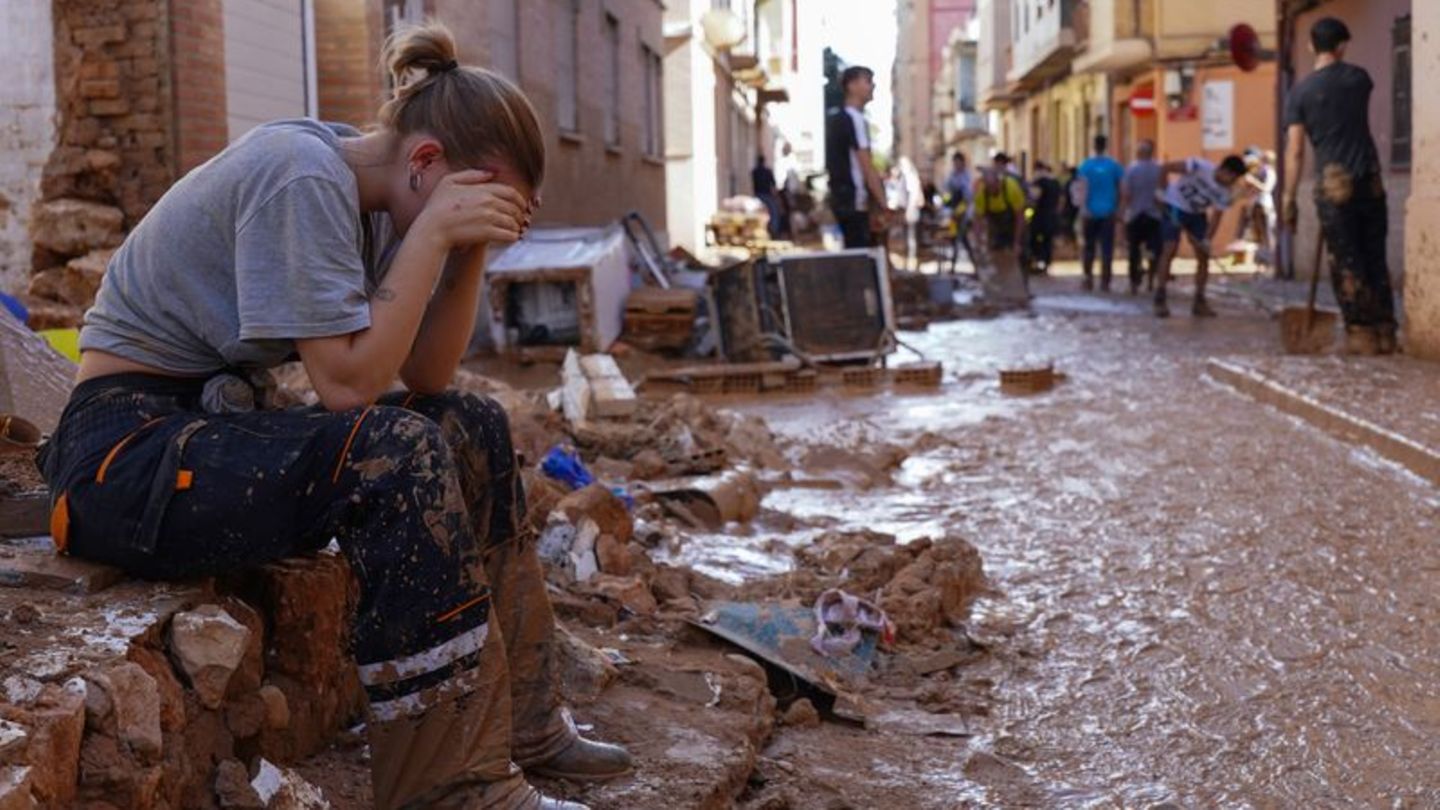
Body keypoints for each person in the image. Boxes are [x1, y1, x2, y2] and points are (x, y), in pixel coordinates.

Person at [37, 23, 625, 810]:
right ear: (425, 162)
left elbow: (426, 372)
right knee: (395, 450)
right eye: (476, 194)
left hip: (204, 426)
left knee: (469, 425)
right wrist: (439, 231)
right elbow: (346, 385)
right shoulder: (303, 177)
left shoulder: (382, 196)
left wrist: (465, 247)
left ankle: (526, 726)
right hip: (124, 455)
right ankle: (452, 789)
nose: (477, 213)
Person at [1281, 18, 1396, 353]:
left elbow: (1296, 149)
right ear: (1343, 45)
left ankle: (1361, 335)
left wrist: (1289, 198)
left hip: (1333, 183)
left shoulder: (1300, 92)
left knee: (1346, 261)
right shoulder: (1360, 79)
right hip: (1370, 179)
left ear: (1310, 47)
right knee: (1375, 257)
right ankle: (1386, 331)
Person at [1152, 154, 1247, 318]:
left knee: (1203, 256)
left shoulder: (1225, 193)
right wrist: (1161, 191)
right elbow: (1165, 168)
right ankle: (1160, 297)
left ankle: (1199, 301)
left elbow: (1217, 217)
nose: (1232, 182)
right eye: (1232, 177)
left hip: (1197, 214)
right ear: (1224, 170)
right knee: (1169, 249)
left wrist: (1207, 239)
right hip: (1174, 207)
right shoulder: (1198, 166)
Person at [825, 65, 892, 248]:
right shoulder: (854, 118)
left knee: (854, 253)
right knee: (861, 256)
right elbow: (866, 165)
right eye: (867, 81)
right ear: (852, 86)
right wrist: (883, 203)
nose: (872, 86)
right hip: (853, 200)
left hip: (842, 198)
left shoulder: (838, 119)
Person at [971, 153, 1030, 306]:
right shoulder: (982, 194)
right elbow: (978, 220)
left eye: (994, 187)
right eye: (989, 188)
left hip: (1015, 225)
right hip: (996, 228)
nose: (992, 190)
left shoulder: (1011, 188)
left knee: (1020, 257)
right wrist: (977, 243)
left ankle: (1022, 292)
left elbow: (1020, 216)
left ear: (998, 182)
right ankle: (999, 293)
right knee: (996, 257)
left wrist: (1017, 242)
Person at [1075, 134, 1125, 292]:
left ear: (1093, 146)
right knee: (1107, 248)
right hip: (1108, 212)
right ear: (1106, 146)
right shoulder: (1114, 166)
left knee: (1088, 246)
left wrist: (1082, 209)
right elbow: (1121, 188)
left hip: (1089, 212)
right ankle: (1105, 281)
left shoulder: (1085, 166)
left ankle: (1088, 278)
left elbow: (1080, 189)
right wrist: (1119, 209)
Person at [1120, 139, 1164, 295]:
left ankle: (1133, 283)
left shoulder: (1131, 170)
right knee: (1154, 250)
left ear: (1139, 153)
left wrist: (1122, 214)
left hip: (1135, 215)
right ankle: (1151, 281)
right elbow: (1163, 191)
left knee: (1134, 250)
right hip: (1154, 216)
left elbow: (1126, 194)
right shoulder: (1159, 168)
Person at [1237, 147, 1278, 267]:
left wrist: (1252, 181)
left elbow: (1266, 189)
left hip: (1265, 206)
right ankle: (1262, 262)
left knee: (1267, 235)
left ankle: (1271, 261)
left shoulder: (1269, 172)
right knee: (1258, 236)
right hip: (1256, 206)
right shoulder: (1257, 172)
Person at [1027, 161, 1063, 274]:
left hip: (1039, 215)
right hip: (1052, 215)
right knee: (1048, 240)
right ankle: (1047, 263)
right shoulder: (1055, 182)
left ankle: (1038, 261)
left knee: (1034, 239)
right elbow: (1061, 200)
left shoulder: (1039, 182)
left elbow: (1034, 198)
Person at [944, 151, 975, 273]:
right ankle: (953, 267)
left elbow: (968, 197)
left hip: (964, 215)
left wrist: (961, 212)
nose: (956, 165)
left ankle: (974, 267)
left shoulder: (966, 176)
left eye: (958, 162)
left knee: (964, 240)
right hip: (953, 214)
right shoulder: (952, 176)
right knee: (954, 240)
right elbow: (946, 191)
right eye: (955, 162)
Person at [751, 153, 782, 238]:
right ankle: (774, 231)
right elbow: (773, 185)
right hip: (766, 195)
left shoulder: (754, 172)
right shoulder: (767, 171)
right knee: (774, 212)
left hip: (758, 195)